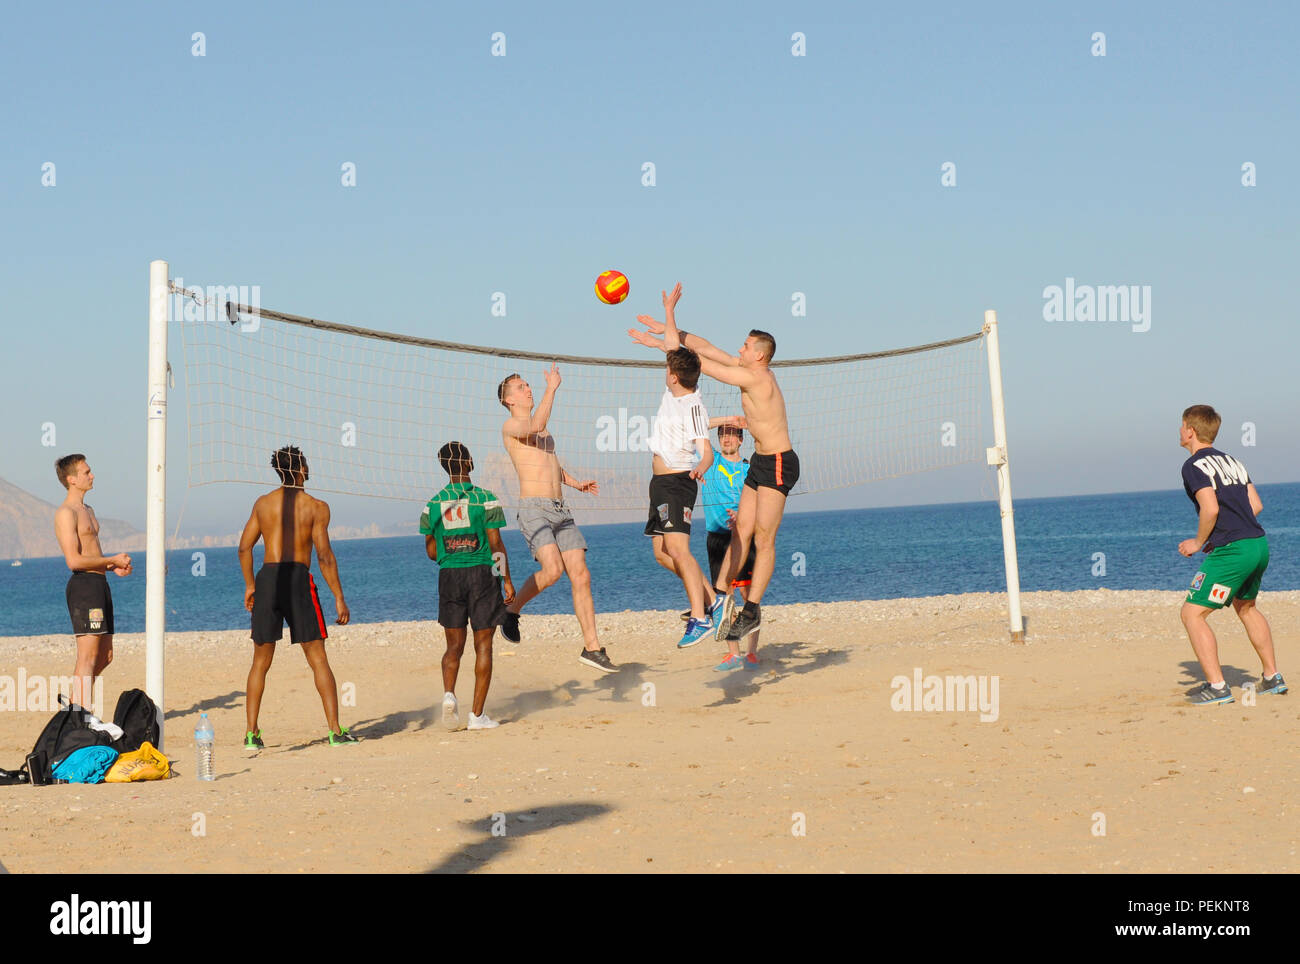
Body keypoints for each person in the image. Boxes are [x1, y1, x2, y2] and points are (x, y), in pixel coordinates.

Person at [630, 282, 799, 670]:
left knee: (763, 537)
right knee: (739, 533)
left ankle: (751, 608)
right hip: (761, 460)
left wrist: (670, 344)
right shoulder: (747, 368)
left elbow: (697, 362)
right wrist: (667, 325)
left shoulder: (757, 377)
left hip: (778, 461)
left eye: (744, 346)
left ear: (758, 355)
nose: (738, 349)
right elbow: (703, 347)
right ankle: (720, 596)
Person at [498, 364, 616, 673]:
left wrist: (575, 482)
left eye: (528, 385)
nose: (529, 389)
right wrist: (552, 388)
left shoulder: (543, 429)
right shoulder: (511, 426)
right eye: (522, 387)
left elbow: (549, 463)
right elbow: (535, 427)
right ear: (510, 399)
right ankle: (511, 609)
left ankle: (592, 648)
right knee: (552, 571)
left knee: (581, 575)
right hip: (533, 508)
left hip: (560, 507)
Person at [237, 445, 356, 748]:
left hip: (268, 578)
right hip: (297, 579)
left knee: (260, 661)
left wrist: (251, 585)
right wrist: (339, 598)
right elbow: (325, 557)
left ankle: (251, 734)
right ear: (302, 468)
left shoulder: (263, 504)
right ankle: (335, 731)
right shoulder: (316, 507)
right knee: (317, 658)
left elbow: (244, 547)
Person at [1177, 405, 1284, 704]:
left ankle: (1218, 687)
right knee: (1246, 607)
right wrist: (1221, 533)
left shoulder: (1193, 466)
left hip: (1234, 550)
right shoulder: (1234, 461)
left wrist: (1199, 542)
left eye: (1181, 426)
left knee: (1192, 613)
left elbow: (1210, 508)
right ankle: (1272, 677)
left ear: (1190, 430)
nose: (1179, 431)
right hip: (1258, 544)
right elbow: (1256, 505)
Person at [421, 441, 515, 730]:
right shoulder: (485, 499)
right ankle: (477, 716)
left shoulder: (433, 504)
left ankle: (449, 695)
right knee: (483, 644)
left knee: (454, 646)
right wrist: (506, 579)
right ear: (467, 463)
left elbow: (431, 551)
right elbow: (496, 543)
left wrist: (453, 550)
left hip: (449, 576)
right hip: (482, 575)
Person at [642, 345, 722, 648]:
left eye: (668, 369)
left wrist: (701, 466)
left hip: (678, 481)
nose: (666, 371)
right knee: (662, 552)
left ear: (674, 377)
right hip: (660, 484)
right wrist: (669, 310)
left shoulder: (693, 405)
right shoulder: (671, 395)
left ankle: (700, 618)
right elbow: (673, 346)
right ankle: (713, 600)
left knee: (678, 549)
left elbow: (707, 451)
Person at [53, 454, 133, 713]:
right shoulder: (66, 513)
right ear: (71, 479)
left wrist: (112, 566)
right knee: (87, 657)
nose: (92, 475)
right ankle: (79, 716)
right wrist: (109, 558)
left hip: (100, 584)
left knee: (106, 656)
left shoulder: (89, 510)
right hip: (84, 587)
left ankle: (77, 706)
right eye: (86, 472)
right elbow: (74, 561)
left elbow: (90, 554)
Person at [699, 422, 760, 665]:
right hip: (717, 537)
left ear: (740, 440)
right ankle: (733, 652)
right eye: (723, 434)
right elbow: (696, 427)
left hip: (743, 536)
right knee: (724, 595)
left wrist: (742, 518)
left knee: (748, 593)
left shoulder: (749, 470)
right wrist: (730, 417)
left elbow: (759, 505)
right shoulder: (710, 460)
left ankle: (752, 651)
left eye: (732, 435)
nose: (727, 439)